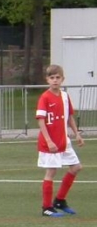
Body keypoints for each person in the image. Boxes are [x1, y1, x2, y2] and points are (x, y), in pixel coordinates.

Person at [36, 64, 83, 217]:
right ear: (47, 79)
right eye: (52, 78)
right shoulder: (45, 97)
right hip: (51, 142)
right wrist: (49, 141)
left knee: (76, 167)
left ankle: (60, 201)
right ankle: (46, 207)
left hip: (64, 141)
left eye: (58, 77)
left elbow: (69, 117)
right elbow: (41, 121)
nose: (55, 80)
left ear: (62, 79)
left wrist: (77, 134)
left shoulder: (64, 96)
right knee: (51, 172)